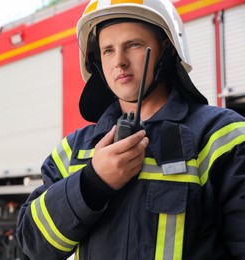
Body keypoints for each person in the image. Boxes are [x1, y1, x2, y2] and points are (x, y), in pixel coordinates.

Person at [16, 0, 245, 259]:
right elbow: (30, 247)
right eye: (108, 51)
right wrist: (91, 183)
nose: (119, 62)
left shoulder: (220, 137)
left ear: (167, 48)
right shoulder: (73, 151)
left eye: (133, 45)